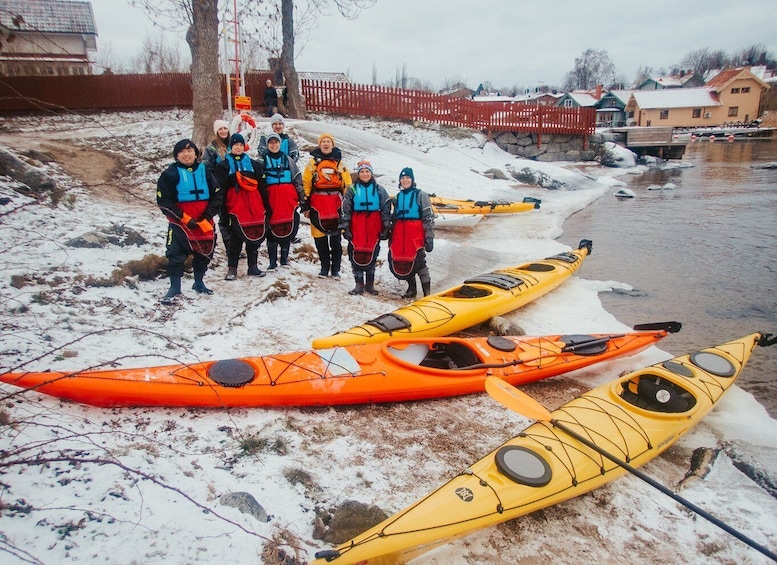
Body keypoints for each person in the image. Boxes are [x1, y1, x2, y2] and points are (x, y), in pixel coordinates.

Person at [156, 139, 222, 305]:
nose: (186, 154)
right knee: (175, 254)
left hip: (203, 221)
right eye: (182, 151)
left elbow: (217, 196)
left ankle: (199, 282)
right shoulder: (169, 174)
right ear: (177, 155)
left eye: (189, 150)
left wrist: (207, 216)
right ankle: (175, 288)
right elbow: (164, 201)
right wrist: (185, 218)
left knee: (204, 253)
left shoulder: (205, 171)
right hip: (180, 223)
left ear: (196, 153)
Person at [214, 133, 269, 280]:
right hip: (235, 206)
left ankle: (253, 267)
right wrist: (223, 212)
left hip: (254, 205)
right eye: (235, 144)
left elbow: (262, 186)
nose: (238, 147)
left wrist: (267, 206)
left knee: (254, 235)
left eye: (240, 144)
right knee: (235, 238)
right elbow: (221, 190)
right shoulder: (223, 166)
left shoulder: (254, 164)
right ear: (231, 146)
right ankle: (232, 268)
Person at [302, 133, 352, 279]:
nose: (325, 144)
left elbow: (347, 184)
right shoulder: (312, 164)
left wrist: (347, 205)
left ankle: (335, 269)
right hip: (317, 205)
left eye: (328, 142)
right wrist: (306, 205)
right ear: (319, 145)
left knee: (335, 239)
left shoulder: (339, 164)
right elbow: (306, 183)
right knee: (320, 238)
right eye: (323, 142)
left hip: (335, 205)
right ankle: (324, 267)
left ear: (332, 145)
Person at [340, 160, 391, 295]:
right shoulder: (352, 189)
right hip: (357, 224)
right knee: (356, 252)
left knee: (372, 252)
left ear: (371, 173)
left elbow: (386, 208)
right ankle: (359, 284)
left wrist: (386, 225)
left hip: (374, 225)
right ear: (358, 174)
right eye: (362, 172)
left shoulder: (379, 190)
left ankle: (369, 284)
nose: (364, 174)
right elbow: (346, 209)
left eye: (367, 171)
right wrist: (345, 226)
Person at [388, 167, 435, 298]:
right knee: (404, 261)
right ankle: (412, 289)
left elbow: (429, 217)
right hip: (400, 235)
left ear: (412, 179)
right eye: (402, 178)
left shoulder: (421, 195)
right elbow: (394, 217)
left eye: (407, 178)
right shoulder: (398, 197)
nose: (405, 180)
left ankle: (427, 293)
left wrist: (429, 236)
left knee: (420, 262)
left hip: (416, 235)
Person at [261, 133, 304, 269]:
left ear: (280, 144)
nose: (274, 145)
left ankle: (284, 260)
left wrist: (302, 199)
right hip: (271, 200)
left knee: (287, 227)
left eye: (276, 142)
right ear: (267, 145)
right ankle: (272, 262)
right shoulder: (262, 161)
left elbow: (297, 179)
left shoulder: (288, 160)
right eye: (271, 143)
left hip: (287, 201)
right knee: (271, 230)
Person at [203, 119, 232, 254]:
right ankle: (229, 246)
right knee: (224, 217)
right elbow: (207, 169)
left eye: (225, 128)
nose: (223, 131)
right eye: (220, 129)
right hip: (220, 187)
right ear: (216, 132)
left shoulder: (234, 144)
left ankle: (237, 244)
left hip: (234, 186)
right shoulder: (211, 149)